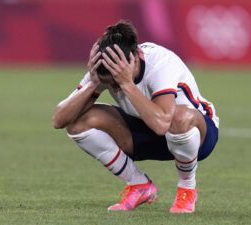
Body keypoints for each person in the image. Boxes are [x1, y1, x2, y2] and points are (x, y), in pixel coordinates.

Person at [52, 20, 219, 214]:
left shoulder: (160, 62)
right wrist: (94, 82)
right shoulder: (107, 64)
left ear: (135, 58)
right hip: (147, 131)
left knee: (178, 118)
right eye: (110, 84)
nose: (114, 87)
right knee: (79, 122)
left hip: (196, 136)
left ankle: (187, 189)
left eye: (115, 82)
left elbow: (162, 123)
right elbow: (59, 120)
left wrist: (127, 84)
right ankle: (139, 185)